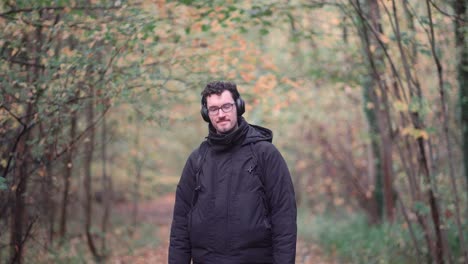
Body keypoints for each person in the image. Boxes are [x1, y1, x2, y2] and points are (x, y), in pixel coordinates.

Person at [168, 81, 297, 263]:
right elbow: (180, 226)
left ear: (238, 106)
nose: (221, 114)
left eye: (226, 106)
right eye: (213, 109)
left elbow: (284, 218)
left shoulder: (265, 154)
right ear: (206, 114)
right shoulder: (196, 160)